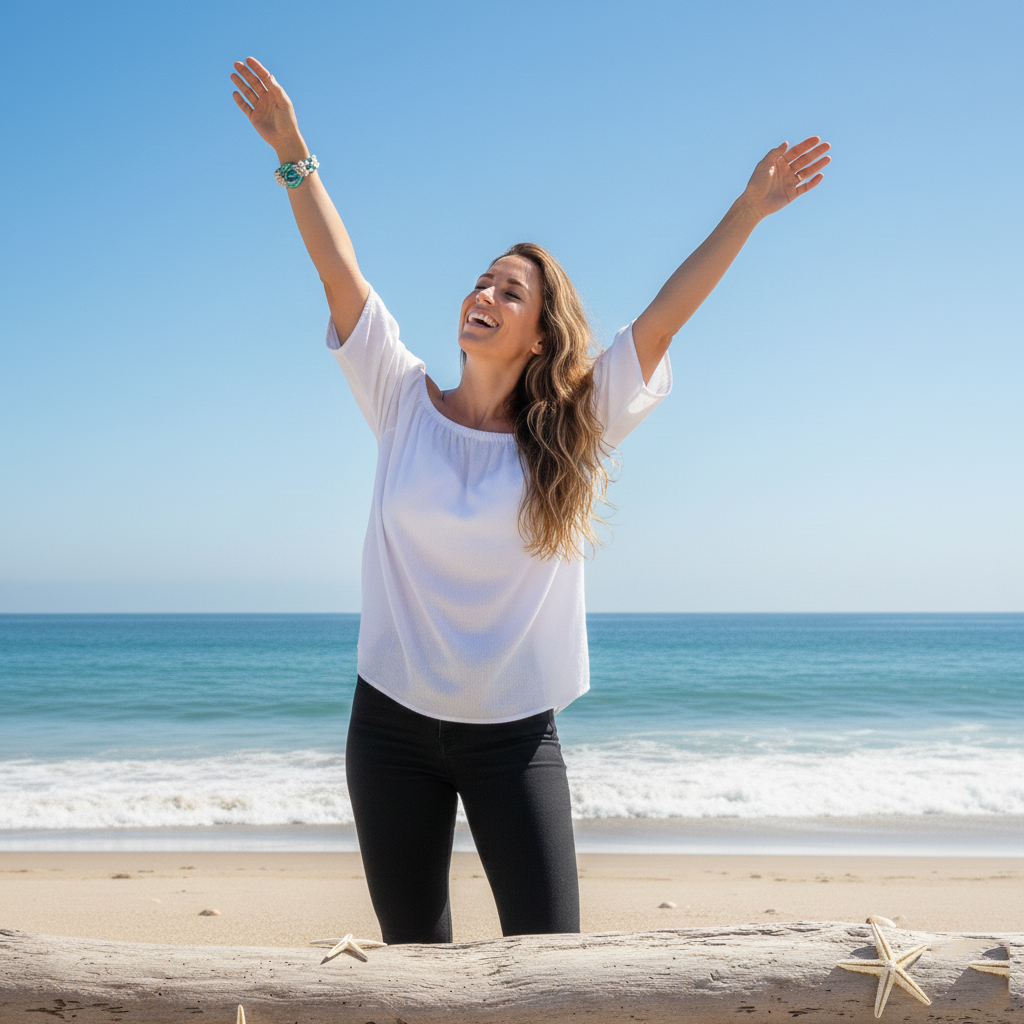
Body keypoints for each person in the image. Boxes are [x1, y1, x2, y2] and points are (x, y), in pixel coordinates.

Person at [230, 56, 830, 945]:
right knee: (415, 973)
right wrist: (293, 152)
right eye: (481, 281)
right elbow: (340, 272)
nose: (483, 294)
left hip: (514, 736)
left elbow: (661, 319)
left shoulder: (572, 428)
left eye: (509, 291)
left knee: (553, 969)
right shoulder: (400, 401)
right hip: (389, 727)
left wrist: (745, 211)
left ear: (540, 331)